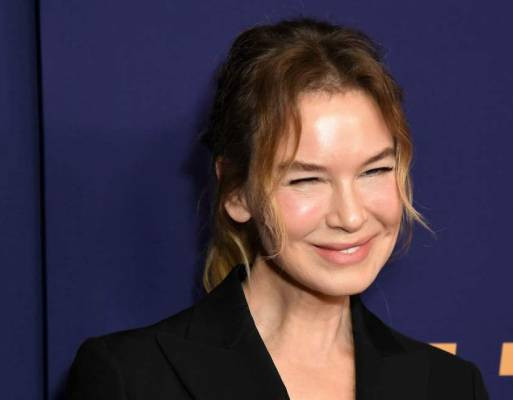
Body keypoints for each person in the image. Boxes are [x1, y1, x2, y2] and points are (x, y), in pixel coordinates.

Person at [67, 17, 489, 399]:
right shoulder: (132, 379)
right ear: (237, 193)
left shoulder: (450, 386)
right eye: (307, 180)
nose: (351, 216)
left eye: (374, 171)